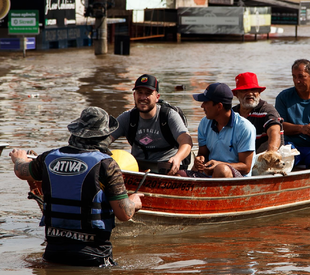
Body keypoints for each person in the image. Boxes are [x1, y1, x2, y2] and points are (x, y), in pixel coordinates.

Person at [9, 107, 143, 267]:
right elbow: (124, 213)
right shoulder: (107, 165)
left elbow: (21, 170)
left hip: (53, 255)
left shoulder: (48, 158)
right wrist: (134, 202)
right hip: (93, 257)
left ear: (76, 132)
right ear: (104, 136)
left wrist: (19, 158)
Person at [110, 74, 193, 175]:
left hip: (168, 170)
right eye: (139, 93)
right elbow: (105, 138)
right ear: (134, 95)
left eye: (148, 93)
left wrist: (178, 158)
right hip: (137, 170)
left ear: (157, 97)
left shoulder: (169, 115)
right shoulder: (128, 117)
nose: (143, 97)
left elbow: (186, 140)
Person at [179, 82, 256, 178]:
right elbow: (203, 154)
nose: (202, 106)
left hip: (235, 178)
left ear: (219, 106)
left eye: (206, 102)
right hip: (209, 175)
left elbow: (246, 167)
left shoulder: (245, 128)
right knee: (178, 174)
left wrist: (219, 165)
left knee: (221, 170)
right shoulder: (204, 122)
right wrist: (200, 160)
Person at [232, 72, 284, 153]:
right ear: (236, 94)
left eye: (253, 90)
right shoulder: (232, 114)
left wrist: (271, 154)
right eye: (244, 90)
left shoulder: (267, 111)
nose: (249, 94)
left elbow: (274, 132)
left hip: (265, 159)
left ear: (259, 92)